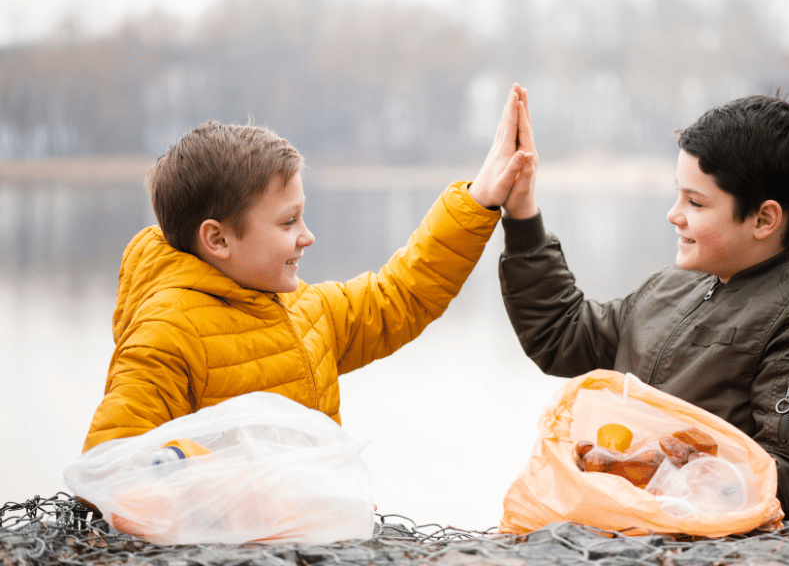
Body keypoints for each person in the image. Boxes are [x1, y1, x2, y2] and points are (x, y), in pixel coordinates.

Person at [83, 84, 535, 452]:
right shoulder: (165, 337)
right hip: (221, 561)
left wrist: (479, 198)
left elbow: (402, 295)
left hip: (312, 550)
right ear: (217, 239)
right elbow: (111, 466)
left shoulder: (307, 310)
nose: (307, 236)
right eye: (288, 222)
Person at [498, 92, 789, 523]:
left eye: (696, 203)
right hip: (616, 536)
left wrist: (649, 467)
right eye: (679, 195)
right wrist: (521, 212)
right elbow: (561, 335)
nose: (674, 215)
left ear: (764, 220)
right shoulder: (672, 286)